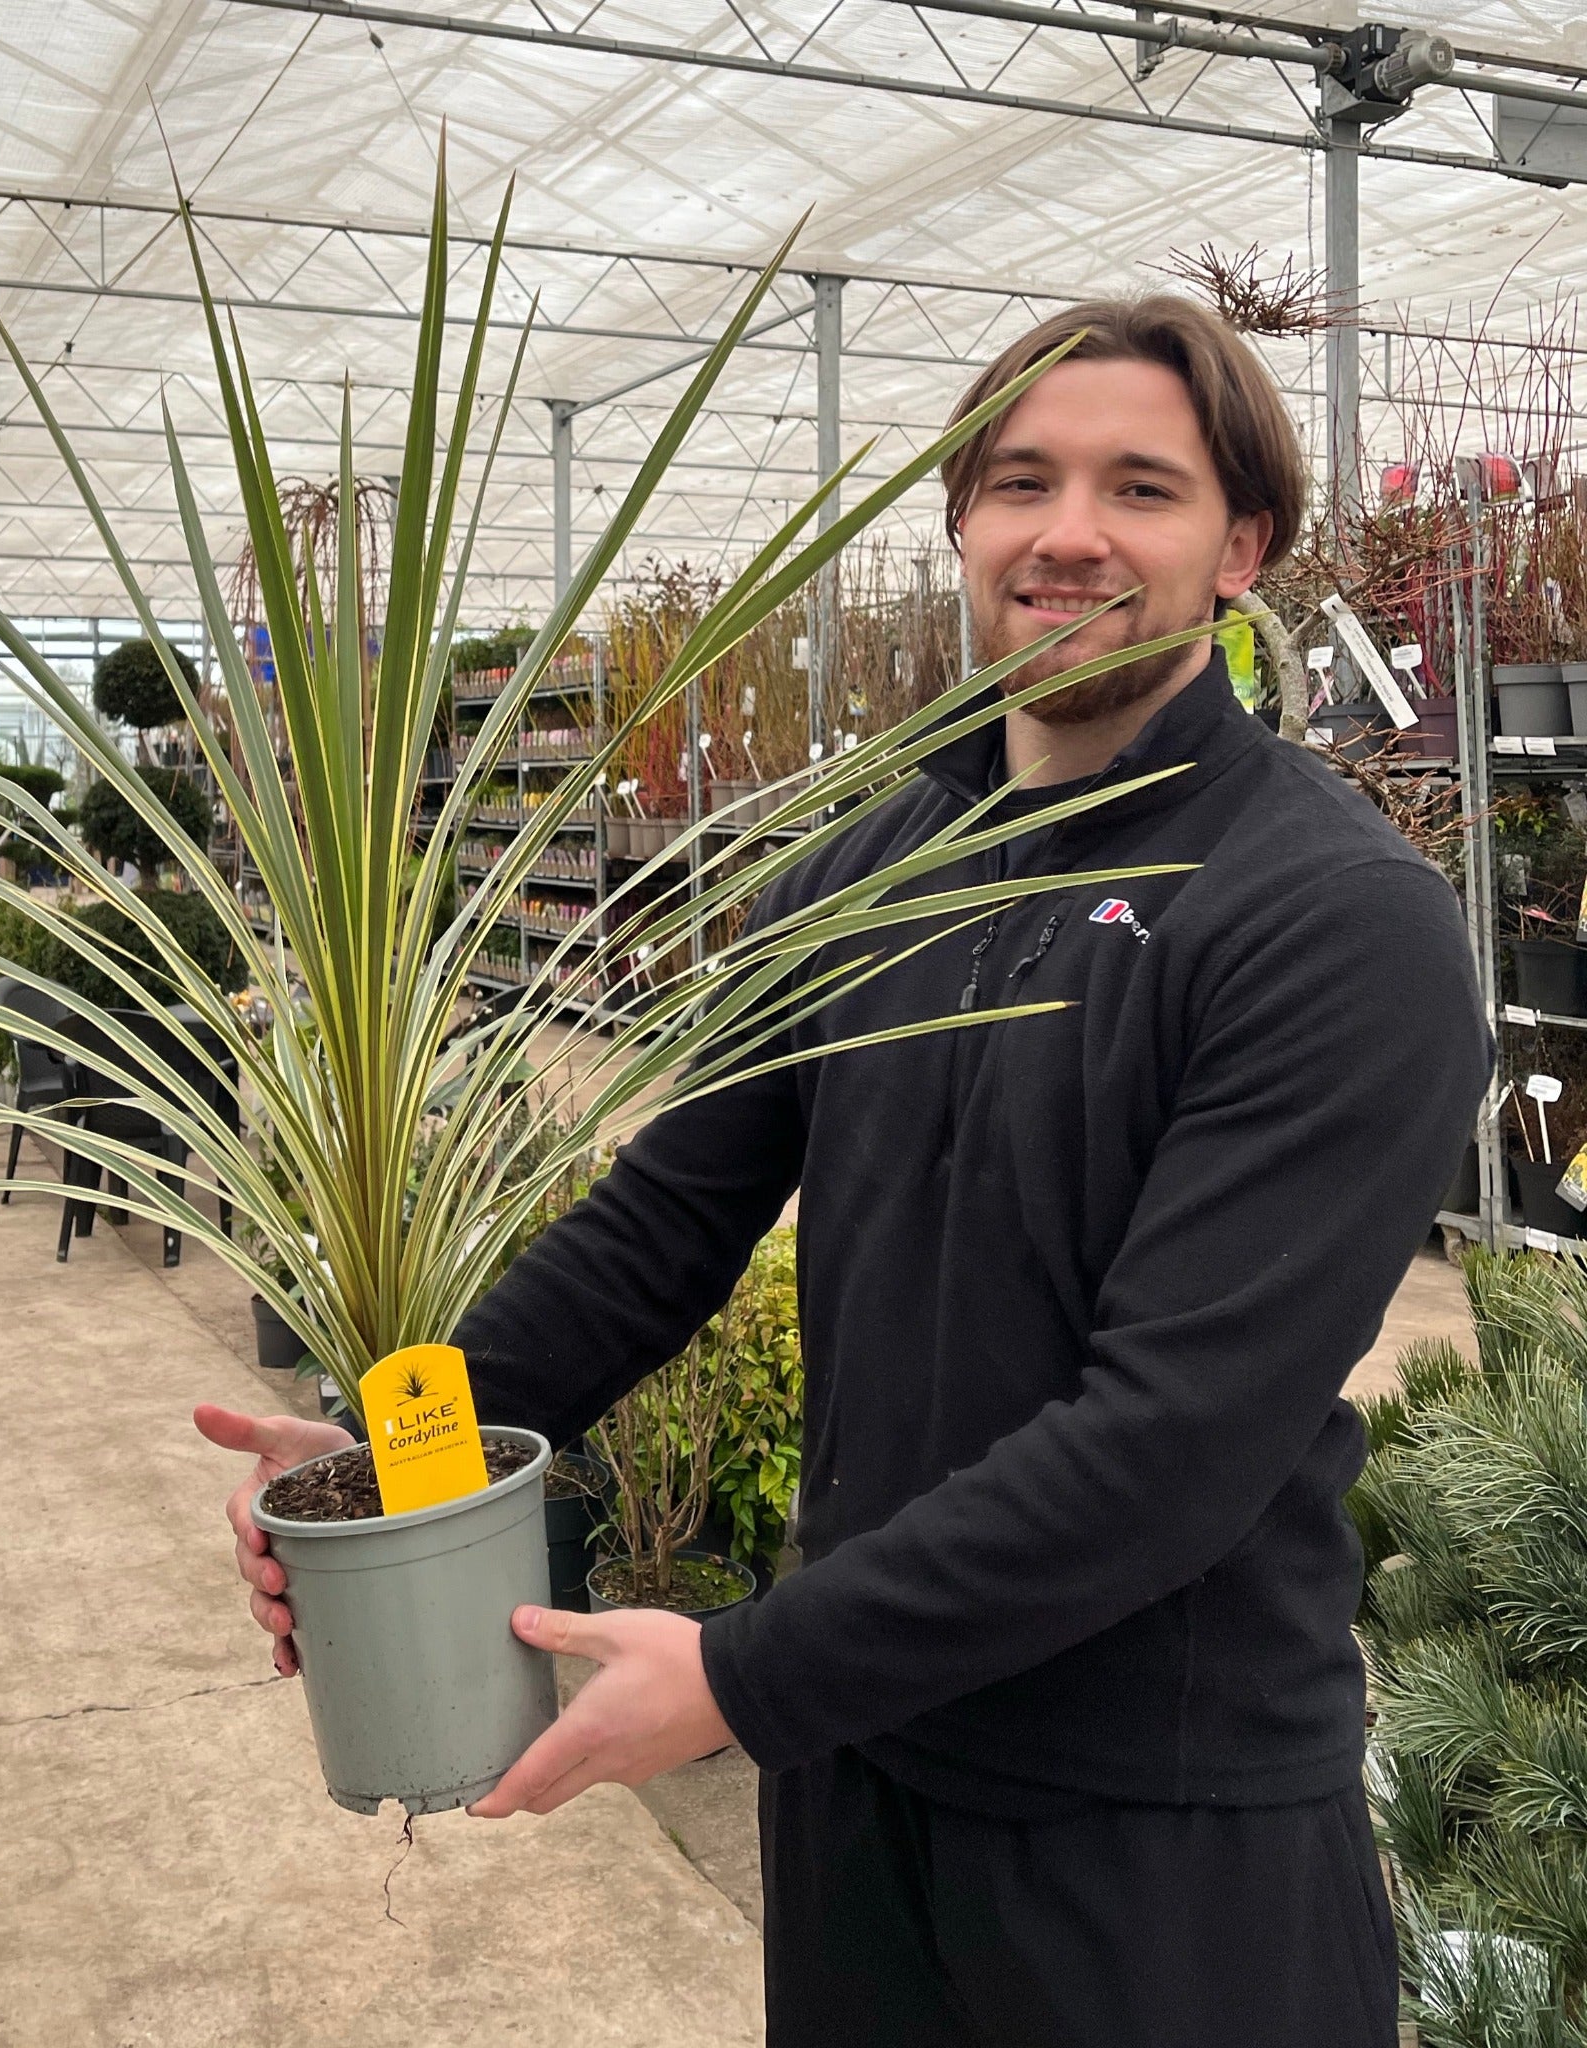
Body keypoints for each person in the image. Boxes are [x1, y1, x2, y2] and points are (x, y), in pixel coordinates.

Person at [198, 296, 1491, 2046]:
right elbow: (670, 1217)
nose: (1068, 534)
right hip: (862, 1782)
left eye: (1143, 488)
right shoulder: (867, 869)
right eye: (1020, 482)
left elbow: (1171, 1445)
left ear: (1242, 545)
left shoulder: (1331, 919)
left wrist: (739, 1675)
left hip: (1160, 1828)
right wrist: (388, 1451)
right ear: (963, 522)